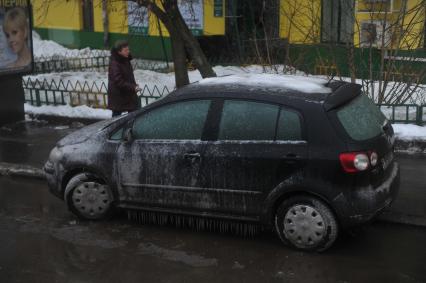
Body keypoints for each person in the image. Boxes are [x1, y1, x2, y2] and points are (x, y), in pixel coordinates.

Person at [107, 40, 140, 117]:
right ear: (119, 52)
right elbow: (118, 81)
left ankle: (131, 128)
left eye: (128, 49)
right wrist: (132, 87)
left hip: (127, 93)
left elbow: (127, 76)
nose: (128, 51)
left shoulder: (125, 60)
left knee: (133, 115)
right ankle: (114, 129)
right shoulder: (115, 63)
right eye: (126, 50)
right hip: (119, 95)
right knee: (116, 118)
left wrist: (133, 85)